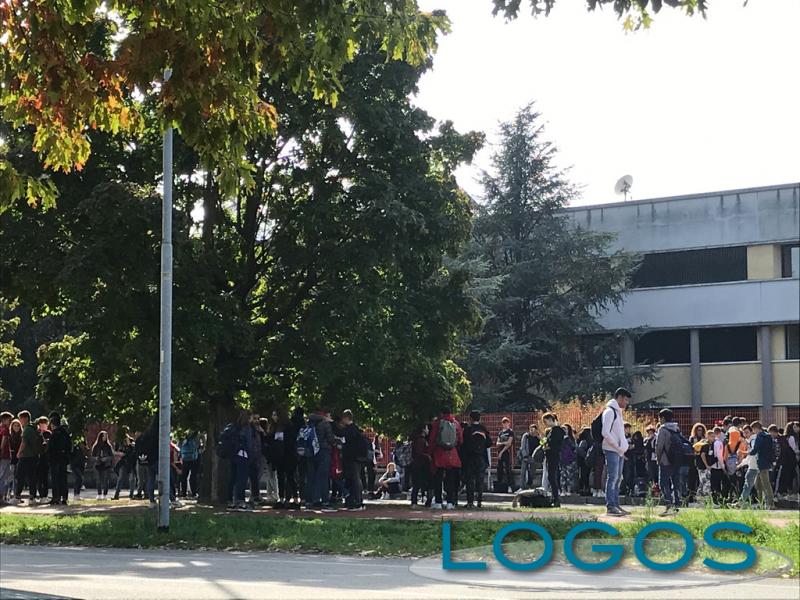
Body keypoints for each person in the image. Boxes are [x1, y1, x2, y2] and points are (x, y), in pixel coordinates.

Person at [601, 388, 631, 516]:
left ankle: (616, 504)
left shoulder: (618, 413)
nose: (626, 403)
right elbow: (605, 432)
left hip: (619, 451)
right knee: (612, 477)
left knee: (618, 478)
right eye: (625, 399)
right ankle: (610, 505)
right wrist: (618, 447)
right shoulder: (609, 412)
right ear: (619, 397)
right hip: (612, 450)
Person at [428, 405, 463, 509]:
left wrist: (430, 452)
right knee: (450, 480)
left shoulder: (437, 423)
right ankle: (450, 502)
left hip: (439, 454)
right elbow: (460, 440)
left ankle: (438, 502)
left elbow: (432, 439)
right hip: (452, 454)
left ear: (441, 413)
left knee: (438, 479)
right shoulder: (455, 423)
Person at [305, 408, 336, 511]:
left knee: (310, 477)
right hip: (323, 452)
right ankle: (325, 502)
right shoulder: (325, 423)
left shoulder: (308, 422)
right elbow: (330, 439)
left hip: (310, 453)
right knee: (323, 478)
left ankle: (309, 501)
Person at [654, 408, 682, 515]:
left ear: (663, 418)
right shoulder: (676, 428)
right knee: (676, 482)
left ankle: (668, 504)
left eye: (660, 418)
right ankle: (677, 504)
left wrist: (658, 458)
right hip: (677, 460)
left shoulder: (663, 429)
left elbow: (659, 446)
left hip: (665, 460)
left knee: (664, 483)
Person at [462, 411, 491, 509]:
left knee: (470, 480)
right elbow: (489, 443)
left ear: (470, 418)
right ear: (480, 418)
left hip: (470, 458)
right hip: (481, 458)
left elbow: (463, 444)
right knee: (480, 480)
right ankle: (479, 501)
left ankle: (470, 502)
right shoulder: (483, 429)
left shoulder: (467, 429)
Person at [339, 409, 365, 511]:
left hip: (351, 459)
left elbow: (341, 434)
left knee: (354, 480)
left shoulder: (350, 430)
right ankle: (355, 502)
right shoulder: (355, 429)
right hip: (355, 459)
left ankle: (357, 502)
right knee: (353, 480)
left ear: (346, 418)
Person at [226, 409, 251, 511]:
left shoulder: (234, 427)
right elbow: (249, 444)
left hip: (233, 455)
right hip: (243, 455)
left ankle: (230, 501)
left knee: (232, 478)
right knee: (242, 479)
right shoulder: (247, 428)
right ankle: (241, 501)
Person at [270, 408, 296, 507]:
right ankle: (280, 498)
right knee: (280, 477)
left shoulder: (289, 427)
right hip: (279, 457)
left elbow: (291, 442)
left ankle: (295, 499)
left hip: (288, 456)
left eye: (275, 415)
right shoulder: (275, 427)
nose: (273, 417)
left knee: (290, 477)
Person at [747, 421, 775, 509]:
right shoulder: (768, 436)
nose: (753, 432)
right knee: (758, 483)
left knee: (765, 483)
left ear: (756, 428)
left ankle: (769, 503)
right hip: (766, 462)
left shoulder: (759, 436)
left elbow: (755, 449)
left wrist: (748, 452)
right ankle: (763, 502)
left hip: (761, 462)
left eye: (753, 430)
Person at [15, 411, 41, 504]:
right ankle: (32, 497)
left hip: (25, 456)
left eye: (20, 418)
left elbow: (24, 442)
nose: (20, 421)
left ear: (25, 418)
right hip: (34, 456)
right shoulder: (34, 428)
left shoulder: (27, 429)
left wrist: (19, 453)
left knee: (19, 476)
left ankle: (17, 496)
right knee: (32, 477)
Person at [541, 413, 565, 507]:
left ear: (550, 419)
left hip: (553, 456)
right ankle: (554, 497)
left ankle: (556, 498)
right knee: (550, 477)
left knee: (552, 477)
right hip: (550, 456)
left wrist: (548, 447)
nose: (544, 423)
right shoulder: (551, 431)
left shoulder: (557, 430)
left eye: (545, 421)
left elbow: (555, 444)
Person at [47, 412, 71, 505]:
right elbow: (69, 446)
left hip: (55, 460)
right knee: (63, 479)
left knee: (55, 479)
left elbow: (51, 448)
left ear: (52, 425)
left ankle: (56, 497)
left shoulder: (54, 435)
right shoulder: (65, 434)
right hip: (63, 459)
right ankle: (64, 497)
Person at [410, 424, 431, 507]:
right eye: (426, 428)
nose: (428, 430)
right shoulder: (421, 440)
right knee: (418, 484)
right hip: (420, 465)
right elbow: (419, 452)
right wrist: (427, 456)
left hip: (417, 464)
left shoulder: (416, 439)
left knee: (416, 484)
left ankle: (414, 501)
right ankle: (414, 501)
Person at [113, 434, 137, 500]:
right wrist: (119, 454)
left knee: (132, 479)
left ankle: (131, 495)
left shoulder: (131, 441)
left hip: (132, 462)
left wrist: (129, 442)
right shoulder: (119, 442)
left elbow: (134, 448)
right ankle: (116, 495)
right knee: (120, 478)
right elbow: (115, 451)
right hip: (124, 462)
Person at [91, 431, 114, 499]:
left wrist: (106, 459)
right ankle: (99, 493)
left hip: (106, 465)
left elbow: (111, 456)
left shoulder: (108, 446)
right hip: (98, 465)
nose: (105, 437)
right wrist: (96, 458)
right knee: (98, 480)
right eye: (104, 436)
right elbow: (92, 456)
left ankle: (105, 494)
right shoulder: (96, 446)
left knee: (105, 480)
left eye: (106, 436)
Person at [687, 423, 706, 502]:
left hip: (701, 462)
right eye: (698, 430)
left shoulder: (704, 439)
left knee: (700, 481)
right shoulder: (692, 438)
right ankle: (691, 497)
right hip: (693, 462)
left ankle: (699, 496)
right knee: (691, 480)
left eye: (701, 430)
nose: (699, 432)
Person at [179, 431, 201, 498]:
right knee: (193, 476)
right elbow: (196, 449)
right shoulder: (194, 441)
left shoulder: (184, 441)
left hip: (185, 459)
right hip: (193, 459)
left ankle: (183, 494)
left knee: (184, 477)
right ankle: (193, 493)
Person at [709, 426, 728, 504]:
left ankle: (714, 500)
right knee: (718, 484)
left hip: (712, 465)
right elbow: (719, 456)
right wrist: (723, 466)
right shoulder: (719, 443)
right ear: (720, 433)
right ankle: (718, 500)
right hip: (718, 466)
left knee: (713, 484)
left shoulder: (712, 442)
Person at [495, 417, 514, 492]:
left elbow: (509, 443)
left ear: (509, 423)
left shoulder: (510, 432)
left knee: (508, 469)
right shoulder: (500, 433)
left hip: (506, 452)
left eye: (507, 423)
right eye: (504, 423)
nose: (505, 424)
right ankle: (499, 486)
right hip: (499, 452)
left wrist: (502, 451)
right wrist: (503, 443)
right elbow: (497, 443)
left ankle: (510, 486)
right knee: (499, 469)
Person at [35, 416, 51, 501]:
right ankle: (41, 494)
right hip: (38, 458)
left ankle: (44, 495)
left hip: (45, 459)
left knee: (45, 478)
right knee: (39, 478)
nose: (43, 425)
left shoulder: (48, 434)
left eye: (45, 423)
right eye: (41, 424)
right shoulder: (37, 434)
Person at [519, 423, 540, 490]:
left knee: (532, 472)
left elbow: (542, 443)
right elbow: (523, 446)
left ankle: (530, 485)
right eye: (531, 430)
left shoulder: (538, 437)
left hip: (534, 457)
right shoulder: (526, 436)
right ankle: (521, 487)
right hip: (526, 456)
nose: (532, 431)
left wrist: (538, 437)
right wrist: (525, 456)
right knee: (523, 472)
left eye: (533, 430)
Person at [559, 423, 578, 496]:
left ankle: (568, 490)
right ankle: (564, 490)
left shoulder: (570, 439)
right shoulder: (561, 439)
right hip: (563, 459)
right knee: (563, 476)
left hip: (569, 460)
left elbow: (574, 447)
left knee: (568, 476)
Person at [8, 418, 22, 503]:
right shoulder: (10, 436)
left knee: (18, 477)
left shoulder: (21, 436)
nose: (16, 427)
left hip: (19, 459)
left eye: (18, 425)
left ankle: (16, 495)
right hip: (11, 459)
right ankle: (9, 494)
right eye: (14, 425)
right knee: (10, 477)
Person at [576, 427, 593, 496]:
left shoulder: (582, 441)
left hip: (582, 461)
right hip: (587, 461)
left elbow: (579, 450)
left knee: (583, 475)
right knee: (586, 475)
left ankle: (583, 489)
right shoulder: (589, 442)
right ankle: (586, 489)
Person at [0, 411, 13, 504]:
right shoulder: (5, 429)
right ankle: (2, 497)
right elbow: (4, 442)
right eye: (9, 419)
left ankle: (3, 497)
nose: (10, 421)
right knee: (4, 477)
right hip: (4, 456)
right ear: (5, 419)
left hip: (4, 456)